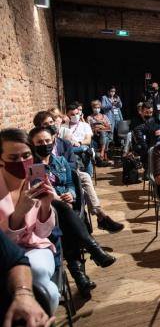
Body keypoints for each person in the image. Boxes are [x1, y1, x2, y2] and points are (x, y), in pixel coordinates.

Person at [29, 127, 117, 298]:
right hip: (45, 211)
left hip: (67, 208)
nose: (45, 144)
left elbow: (70, 183)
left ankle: (81, 278)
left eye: (47, 141)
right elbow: (41, 192)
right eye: (39, 142)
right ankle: (93, 250)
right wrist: (60, 200)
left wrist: (72, 194)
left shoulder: (61, 161)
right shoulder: (33, 168)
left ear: (53, 141)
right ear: (33, 145)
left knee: (66, 224)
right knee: (61, 210)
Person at [33, 111, 124, 233]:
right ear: (39, 127)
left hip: (66, 173)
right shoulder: (36, 147)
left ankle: (97, 216)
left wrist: (61, 168)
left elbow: (72, 163)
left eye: (51, 122)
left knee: (82, 178)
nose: (50, 125)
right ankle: (99, 217)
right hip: (48, 180)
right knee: (83, 181)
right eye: (46, 124)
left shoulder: (63, 143)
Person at [0, 128, 59, 315]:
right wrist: (19, 213)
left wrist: (46, 206)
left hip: (35, 247)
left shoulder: (34, 180)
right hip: (5, 255)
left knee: (39, 271)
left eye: (26, 156)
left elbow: (43, 233)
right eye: (13, 158)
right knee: (46, 288)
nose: (21, 162)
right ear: (1, 160)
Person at [0, 231, 56, 326]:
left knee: (41, 276)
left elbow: (16, 260)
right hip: (22, 244)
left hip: (36, 245)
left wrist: (23, 293)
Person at [130, 102, 160, 167]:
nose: (149, 114)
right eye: (147, 112)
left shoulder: (153, 120)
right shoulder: (135, 121)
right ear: (141, 111)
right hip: (140, 144)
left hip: (152, 143)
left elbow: (156, 131)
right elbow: (138, 137)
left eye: (151, 112)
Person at [87, 100, 113, 166]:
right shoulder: (89, 117)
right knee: (102, 135)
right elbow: (87, 129)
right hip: (94, 135)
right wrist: (95, 129)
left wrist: (103, 126)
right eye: (95, 108)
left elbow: (110, 128)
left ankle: (102, 152)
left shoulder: (104, 116)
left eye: (98, 107)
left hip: (105, 134)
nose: (97, 109)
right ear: (92, 108)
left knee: (103, 133)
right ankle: (101, 154)